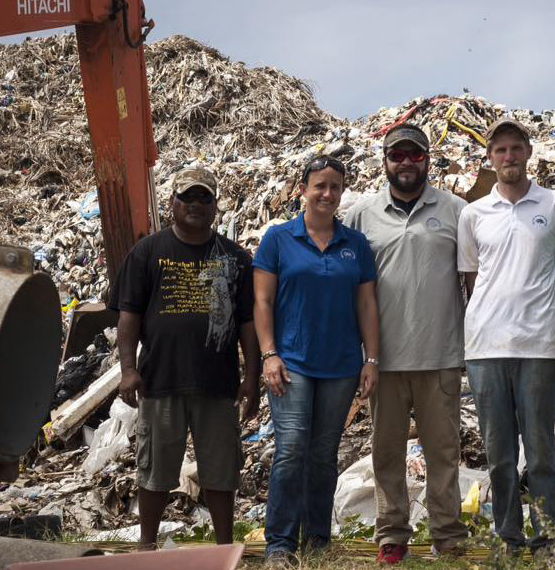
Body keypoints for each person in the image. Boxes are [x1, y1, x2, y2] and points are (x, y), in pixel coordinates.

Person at [112, 166, 260, 550]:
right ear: (172, 203)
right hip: (161, 381)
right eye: (187, 197)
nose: (195, 204)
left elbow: (247, 324)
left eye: (204, 198)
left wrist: (251, 378)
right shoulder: (147, 252)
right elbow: (128, 316)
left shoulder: (235, 257)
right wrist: (128, 370)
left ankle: (224, 546)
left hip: (217, 382)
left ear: (215, 206)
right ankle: (147, 546)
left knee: (221, 470)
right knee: (155, 470)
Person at [344, 123, 469, 564]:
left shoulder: (455, 209)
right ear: (385, 162)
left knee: (443, 452)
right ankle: (392, 534)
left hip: (441, 354)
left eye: (414, 155)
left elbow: (471, 280)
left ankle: (447, 533)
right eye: (398, 156)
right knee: (387, 451)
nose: (406, 163)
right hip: (385, 358)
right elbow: (352, 287)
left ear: (427, 160)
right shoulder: (362, 214)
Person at [457, 117, 555, 553]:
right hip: (486, 347)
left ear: (529, 152)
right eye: (500, 150)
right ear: (490, 158)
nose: (508, 157)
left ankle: (546, 534)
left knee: (542, 449)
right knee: (499, 451)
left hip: (540, 346)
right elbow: (471, 277)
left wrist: (545, 308)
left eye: (515, 148)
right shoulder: (473, 214)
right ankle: (507, 533)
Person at [253, 156, 380, 564]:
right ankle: (280, 544)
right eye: (319, 185)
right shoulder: (278, 239)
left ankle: (318, 541)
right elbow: (262, 300)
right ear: (303, 189)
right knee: (291, 449)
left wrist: (371, 358)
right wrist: (268, 354)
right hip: (292, 363)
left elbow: (366, 304)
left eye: (335, 187)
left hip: (341, 365)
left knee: (324, 454)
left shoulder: (354, 244)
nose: (327, 194)